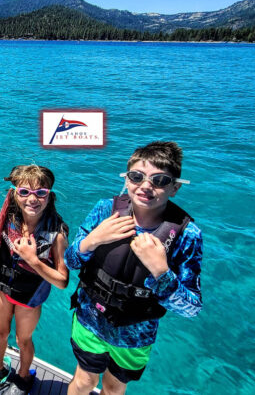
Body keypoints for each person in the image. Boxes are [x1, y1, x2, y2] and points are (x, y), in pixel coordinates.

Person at [65, 141, 203, 395]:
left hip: (135, 336)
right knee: (84, 381)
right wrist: (91, 241)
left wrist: (161, 273)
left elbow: (192, 308)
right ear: (127, 179)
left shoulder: (187, 235)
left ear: (174, 188)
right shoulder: (105, 210)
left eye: (160, 180)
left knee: (115, 388)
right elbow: (69, 262)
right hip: (89, 320)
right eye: (137, 176)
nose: (146, 186)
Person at [0, 165, 69, 395]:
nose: (32, 199)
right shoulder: (7, 219)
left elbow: (62, 281)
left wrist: (33, 260)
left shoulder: (57, 232)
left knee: (22, 339)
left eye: (41, 193)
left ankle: (23, 377)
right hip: (3, 287)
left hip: (30, 296)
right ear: (15, 193)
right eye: (25, 192)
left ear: (49, 195)